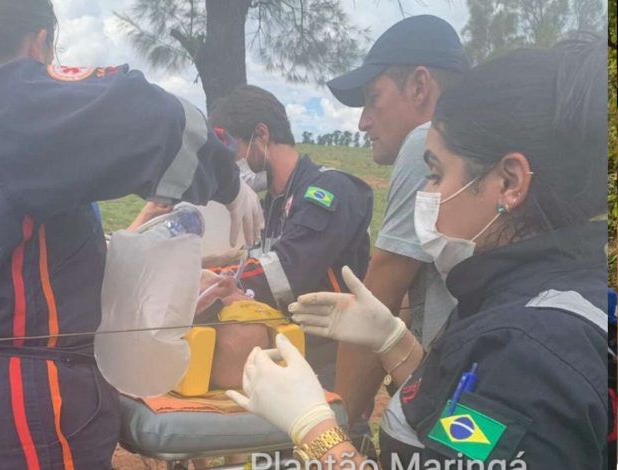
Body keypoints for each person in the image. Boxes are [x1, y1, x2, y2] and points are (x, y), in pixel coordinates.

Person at [0, 0, 263, 468]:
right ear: (39, 42)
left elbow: (5, 261)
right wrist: (227, 178)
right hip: (14, 407)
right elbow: (147, 113)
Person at [228, 36, 608, 468]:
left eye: (435, 173)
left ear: (509, 183)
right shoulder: (530, 301)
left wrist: (313, 429)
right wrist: (396, 344)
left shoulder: (531, 351)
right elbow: (470, 433)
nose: (425, 193)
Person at [325, 15, 468, 423]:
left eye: (373, 98)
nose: (362, 122)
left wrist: (339, 427)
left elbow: (379, 296)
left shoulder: (427, 139)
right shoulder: (487, 140)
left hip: (450, 397)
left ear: (420, 86)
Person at [209, 85, 373, 389]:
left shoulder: (328, 190)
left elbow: (286, 272)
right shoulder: (268, 204)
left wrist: (212, 281)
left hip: (331, 363)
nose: (229, 165)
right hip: (287, 355)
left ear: (261, 135)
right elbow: (248, 262)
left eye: (231, 152)